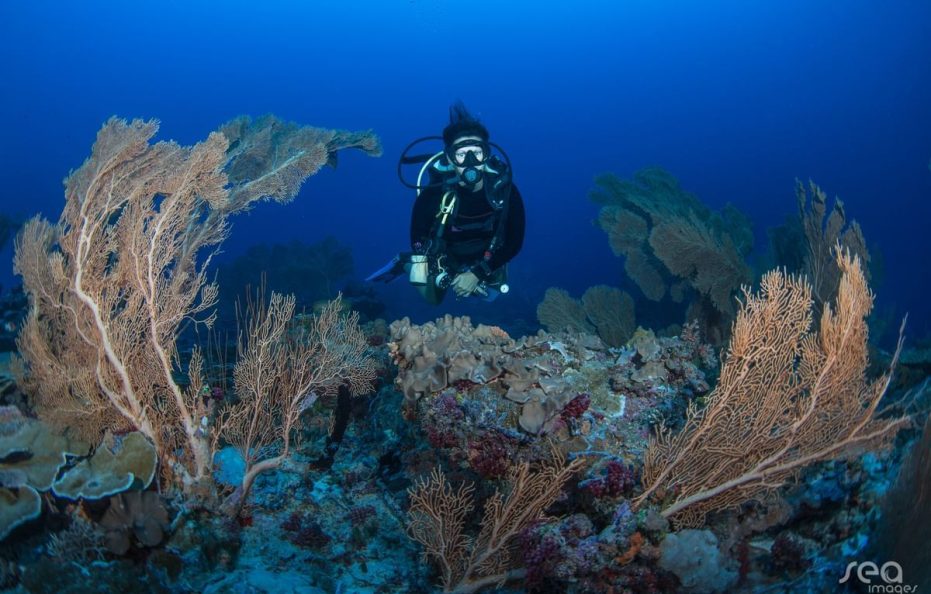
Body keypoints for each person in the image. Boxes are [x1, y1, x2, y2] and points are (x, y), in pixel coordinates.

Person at [406, 103, 525, 304]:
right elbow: (417, 234)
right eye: (461, 154)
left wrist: (479, 272)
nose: (470, 162)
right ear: (450, 159)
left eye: (476, 153)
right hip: (447, 258)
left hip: (489, 258)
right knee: (428, 294)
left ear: (486, 156)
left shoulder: (504, 191)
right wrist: (425, 264)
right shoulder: (434, 194)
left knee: (492, 298)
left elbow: (515, 241)